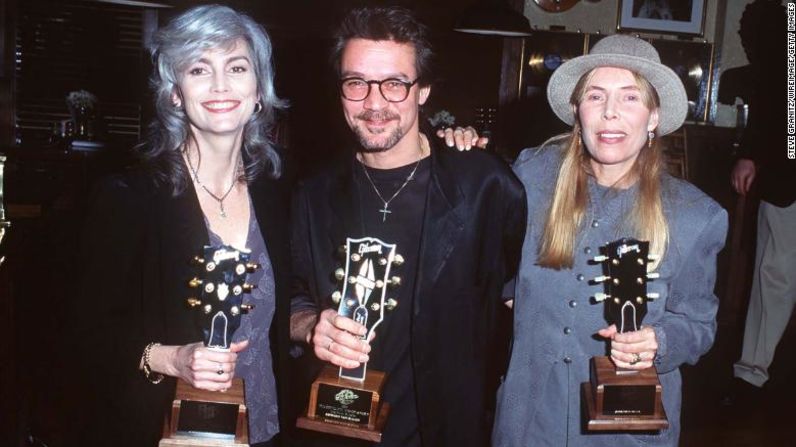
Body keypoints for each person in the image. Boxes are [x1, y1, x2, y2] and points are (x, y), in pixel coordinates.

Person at [289, 6, 526, 447]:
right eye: (356, 83)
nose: (374, 103)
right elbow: (293, 295)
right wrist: (308, 326)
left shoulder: (484, 185)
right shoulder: (313, 193)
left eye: (395, 84)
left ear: (423, 91)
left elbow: (518, 297)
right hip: (335, 428)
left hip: (445, 430)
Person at [492, 35, 728, 446]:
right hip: (529, 420)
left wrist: (661, 341)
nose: (610, 113)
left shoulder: (695, 216)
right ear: (576, 111)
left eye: (631, 98)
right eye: (596, 96)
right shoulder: (531, 177)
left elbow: (699, 324)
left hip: (625, 431)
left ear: (654, 116)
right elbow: (484, 257)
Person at [74, 5, 291, 447]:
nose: (220, 85)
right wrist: (171, 358)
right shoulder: (128, 196)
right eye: (198, 69)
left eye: (236, 67)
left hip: (265, 431)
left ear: (258, 91)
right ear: (175, 94)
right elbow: (82, 333)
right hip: (164, 434)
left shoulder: (279, 194)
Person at [730, 0, 795, 392]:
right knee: (776, 271)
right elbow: (774, 89)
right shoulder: (776, 15)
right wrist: (750, 152)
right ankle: (751, 372)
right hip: (789, 166)